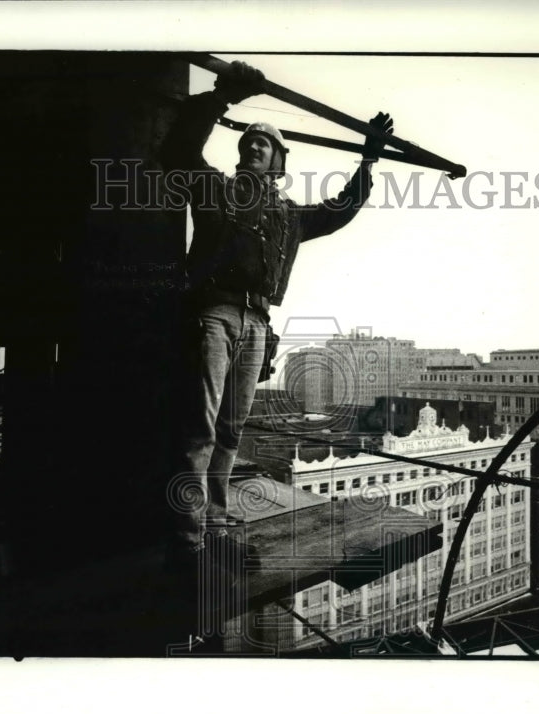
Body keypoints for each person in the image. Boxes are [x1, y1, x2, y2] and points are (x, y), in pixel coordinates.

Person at [161, 61, 393, 580]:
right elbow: (178, 153)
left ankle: (215, 521)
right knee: (199, 427)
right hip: (216, 314)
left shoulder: (287, 217)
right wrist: (222, 97)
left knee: (230, 428)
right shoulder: (216, 190)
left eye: (263, 142)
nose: (251, 145)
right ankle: (189, 538)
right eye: (247, 141)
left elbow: (340, 209)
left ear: (279, 161)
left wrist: (369, 158)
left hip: (257, 325)